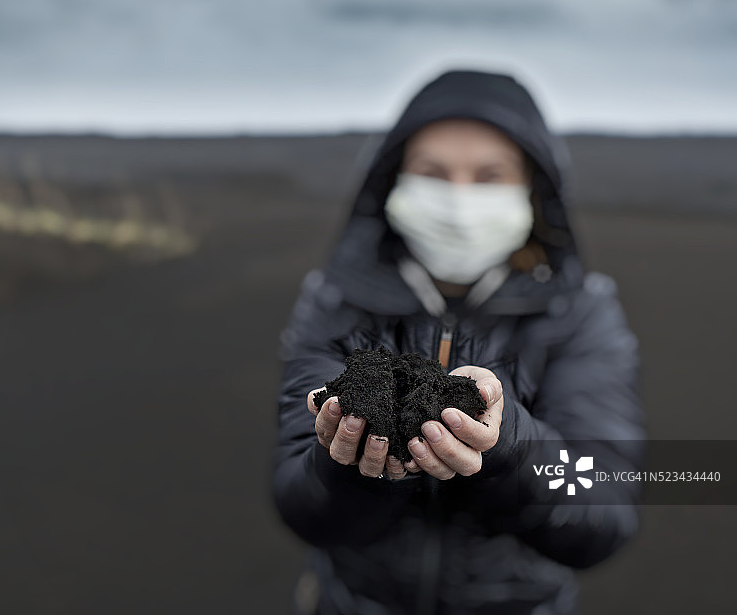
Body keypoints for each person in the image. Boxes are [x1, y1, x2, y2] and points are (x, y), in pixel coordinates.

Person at [270, 69, 647, 615]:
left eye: (490, 175)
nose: (458, 198)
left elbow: (605, 513)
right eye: (433, 172)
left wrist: (508, 450)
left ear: (533, 192)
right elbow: (300, 504)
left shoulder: (579, 311)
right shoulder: (335, 300)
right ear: (392, 178)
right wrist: (350, 469)